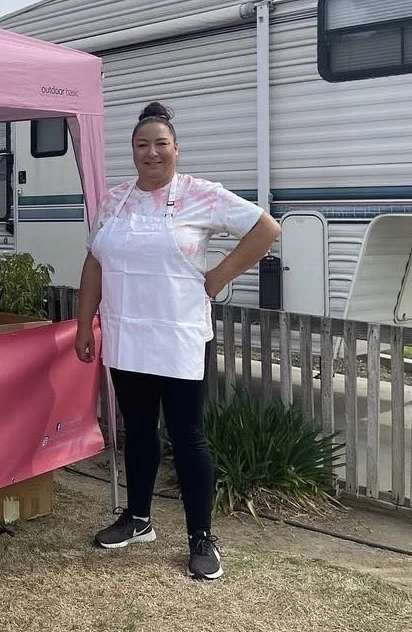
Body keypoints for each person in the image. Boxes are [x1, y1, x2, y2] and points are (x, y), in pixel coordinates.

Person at [74, 101, 281, 581]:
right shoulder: (114, 200)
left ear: (175, 149)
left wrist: (216, 278)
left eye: (160, 144)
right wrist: (85, 323)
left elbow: (265, 227)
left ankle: (201, 537)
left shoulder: (200, 195)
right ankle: (139, 518)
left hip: (181, 334)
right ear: (132, 151)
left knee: (189, 438)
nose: (151, 153)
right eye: (142, 145)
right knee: (139, 431)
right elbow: (94, 262)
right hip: (127, 333)